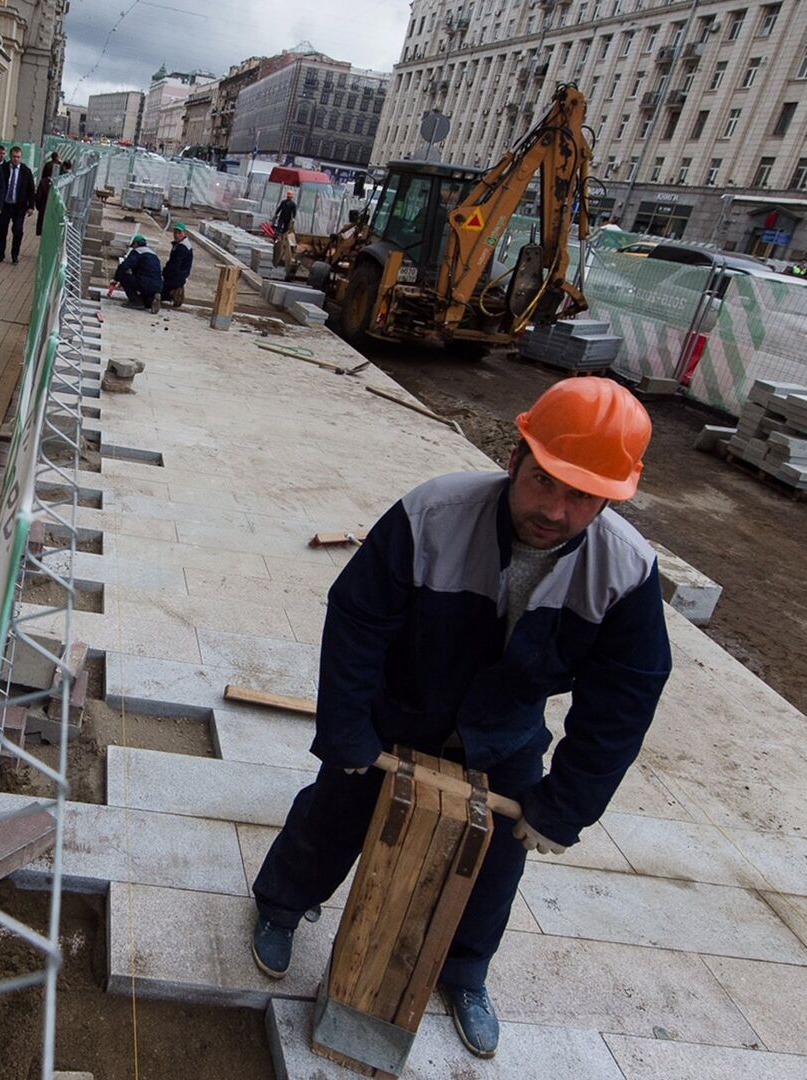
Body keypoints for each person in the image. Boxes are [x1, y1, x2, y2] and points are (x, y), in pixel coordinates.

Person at [247, 377, 672, 1060]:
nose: (556, 510)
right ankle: (280, 903)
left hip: (503, 732)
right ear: (515, 458)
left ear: (610, 498)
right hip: (402, 707)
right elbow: (359, 620)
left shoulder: (624, 573)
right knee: (338, 809)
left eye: (582, 496)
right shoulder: (433, 513)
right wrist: (349, 728)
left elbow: (625, 698)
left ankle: (464, 970)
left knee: (499, 860)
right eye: (544, 481)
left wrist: (564, 807)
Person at [0, 146, 36, 263]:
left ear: (21, 158)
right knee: (2, 230)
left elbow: (31, 189)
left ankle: (15, 255)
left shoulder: (26, 171)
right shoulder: (3, 169)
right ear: (10, 157)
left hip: (19, 206)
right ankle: (0, 254)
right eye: (14, 157)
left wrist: (31, 206)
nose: (16, 159)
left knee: (18, 231)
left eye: (18, 157)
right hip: (5, 205)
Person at [111, 236, 163, 312]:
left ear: (136, 244)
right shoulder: (154, 255)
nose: (133, 248)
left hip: (144, 283)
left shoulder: (137, 252)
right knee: (146, 303)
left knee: (124, 276)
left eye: (133, 246)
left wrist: (116, 279)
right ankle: (152, 300)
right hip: (158, 286)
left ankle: (135, 301)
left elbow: (123, 266)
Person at [161, 223, 193, 309]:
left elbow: (175, 265)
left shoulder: (182, 248)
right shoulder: (179, 245)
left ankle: (174, 293)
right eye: (175, 232)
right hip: (178, 276)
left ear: (184, 233)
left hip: (176, 277)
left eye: (179, 233)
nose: (176, 235)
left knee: (155, 292)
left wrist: (165, 275)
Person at [34, 152, 63, 236]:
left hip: (43, 202)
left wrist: (38, 206)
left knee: (42, 216)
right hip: (52, 204)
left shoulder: (47, 165)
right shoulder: (59, 166)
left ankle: (41, 231)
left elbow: (38, 197)